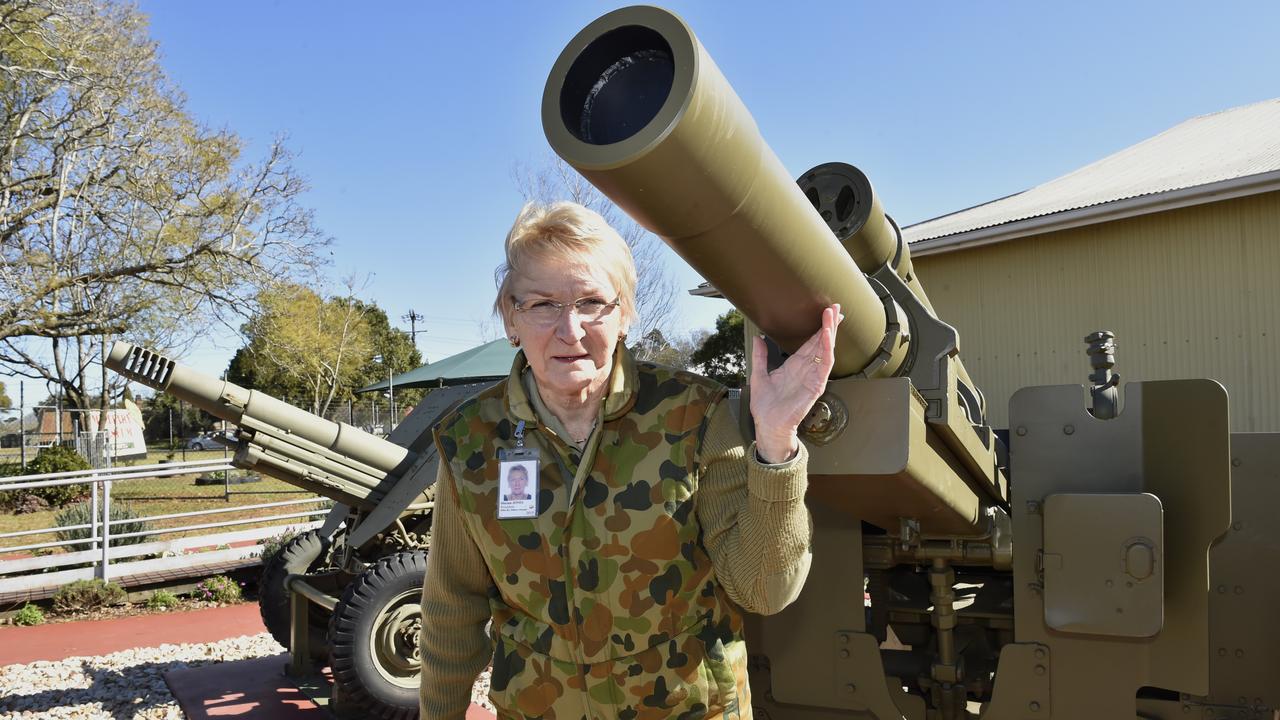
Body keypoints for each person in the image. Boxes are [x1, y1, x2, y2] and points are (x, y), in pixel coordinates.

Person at [420, 201, 840, 720]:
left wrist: (775, 444)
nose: (570, 330)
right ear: (511, 317)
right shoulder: (471, 441)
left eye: (593, 302)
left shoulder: (697, 417)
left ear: (624, 317)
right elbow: (451, 608)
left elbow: (764, 591)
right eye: (544, 304)